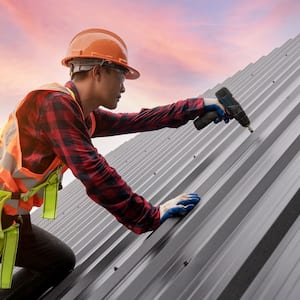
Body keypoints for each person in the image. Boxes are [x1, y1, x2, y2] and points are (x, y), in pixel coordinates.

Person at [0, 28, 227, 299]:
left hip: (11, 222)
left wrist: (198, 105)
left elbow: (138, 120)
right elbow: (93, 172)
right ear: (98, 71)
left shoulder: (81, 115)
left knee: (58, 263)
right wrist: (148, 216)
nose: (123, 86)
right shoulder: (55, 104)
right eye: (121, 76)